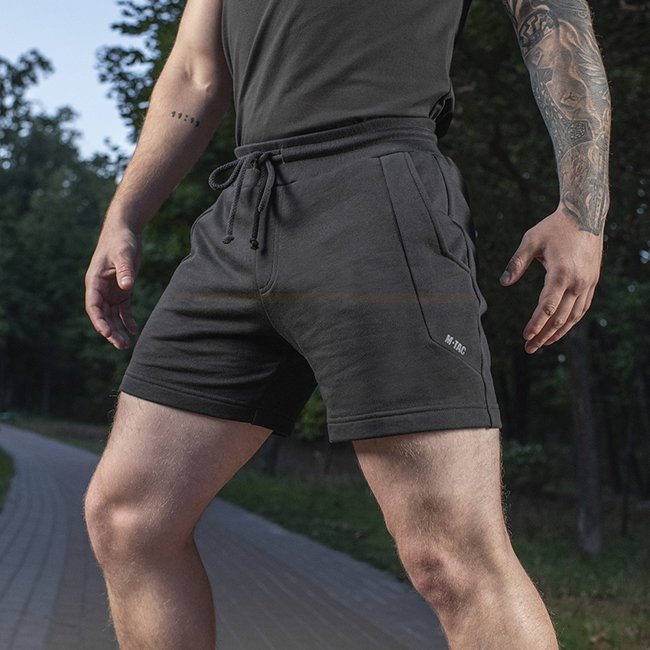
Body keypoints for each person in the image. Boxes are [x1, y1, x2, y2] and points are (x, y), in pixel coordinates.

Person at [83, 0, 610, 647]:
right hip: (244, 210)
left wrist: (583, 210)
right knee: (129, 518)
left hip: (380, 190)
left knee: (450, 557)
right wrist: (124, 215)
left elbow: (554, 19)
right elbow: (195, 70)